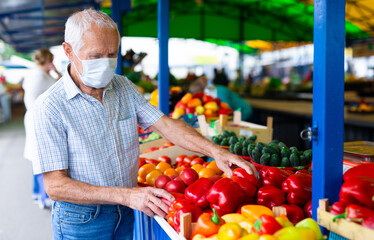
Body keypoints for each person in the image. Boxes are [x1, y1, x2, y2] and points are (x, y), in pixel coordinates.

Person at [32, 10, 257, 240]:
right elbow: (56, 186)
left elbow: (166, 125)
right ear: (68, 51)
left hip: (126, 213)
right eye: (96, 55)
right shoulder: (50, 107)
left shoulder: (124, 87)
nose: (106, 63)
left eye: (112, 54)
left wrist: (215, 151)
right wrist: (127, 196)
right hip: (82, 220)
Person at [22, 48, 62, 208]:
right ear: (48, 61)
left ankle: (38, 193)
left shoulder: (35, 74)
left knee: (37, 155)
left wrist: (55, 71)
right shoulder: (39, 77)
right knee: (41, 156)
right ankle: (44, 196)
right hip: (38, 119)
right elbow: (61, 86)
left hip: (34, 117)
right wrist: (56, 72)